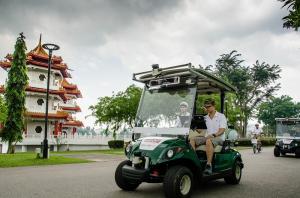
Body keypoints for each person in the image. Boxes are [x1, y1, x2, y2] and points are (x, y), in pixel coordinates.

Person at [189, 98, 227, 175]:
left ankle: (209, 165)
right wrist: (194, 126)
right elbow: (200, 131)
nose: (207, 108)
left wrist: (213, 135)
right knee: (192, 139)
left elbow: (222, 130)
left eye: (209, 106)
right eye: (206, 107)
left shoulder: (221, 116)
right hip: (207, 137)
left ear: (214, 106)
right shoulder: (205, 118)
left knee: (208, 141)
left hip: (218, 138)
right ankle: (195, 162)